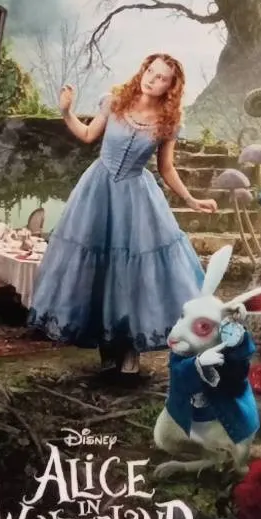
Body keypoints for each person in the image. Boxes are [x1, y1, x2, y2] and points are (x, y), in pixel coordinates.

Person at [27, 53, 217, 376]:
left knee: (131, 274)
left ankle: (130, 349)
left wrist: (191, 199)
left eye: (161, 78)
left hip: (135, 198)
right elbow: (88, 135)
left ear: (170, 87)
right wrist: (66, 111)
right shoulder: (114, 101)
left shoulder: (168, 122)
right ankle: (106, 347)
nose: (152, 79)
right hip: (97, 192)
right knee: (98, 270)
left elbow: (166, 168)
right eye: (150, 71)